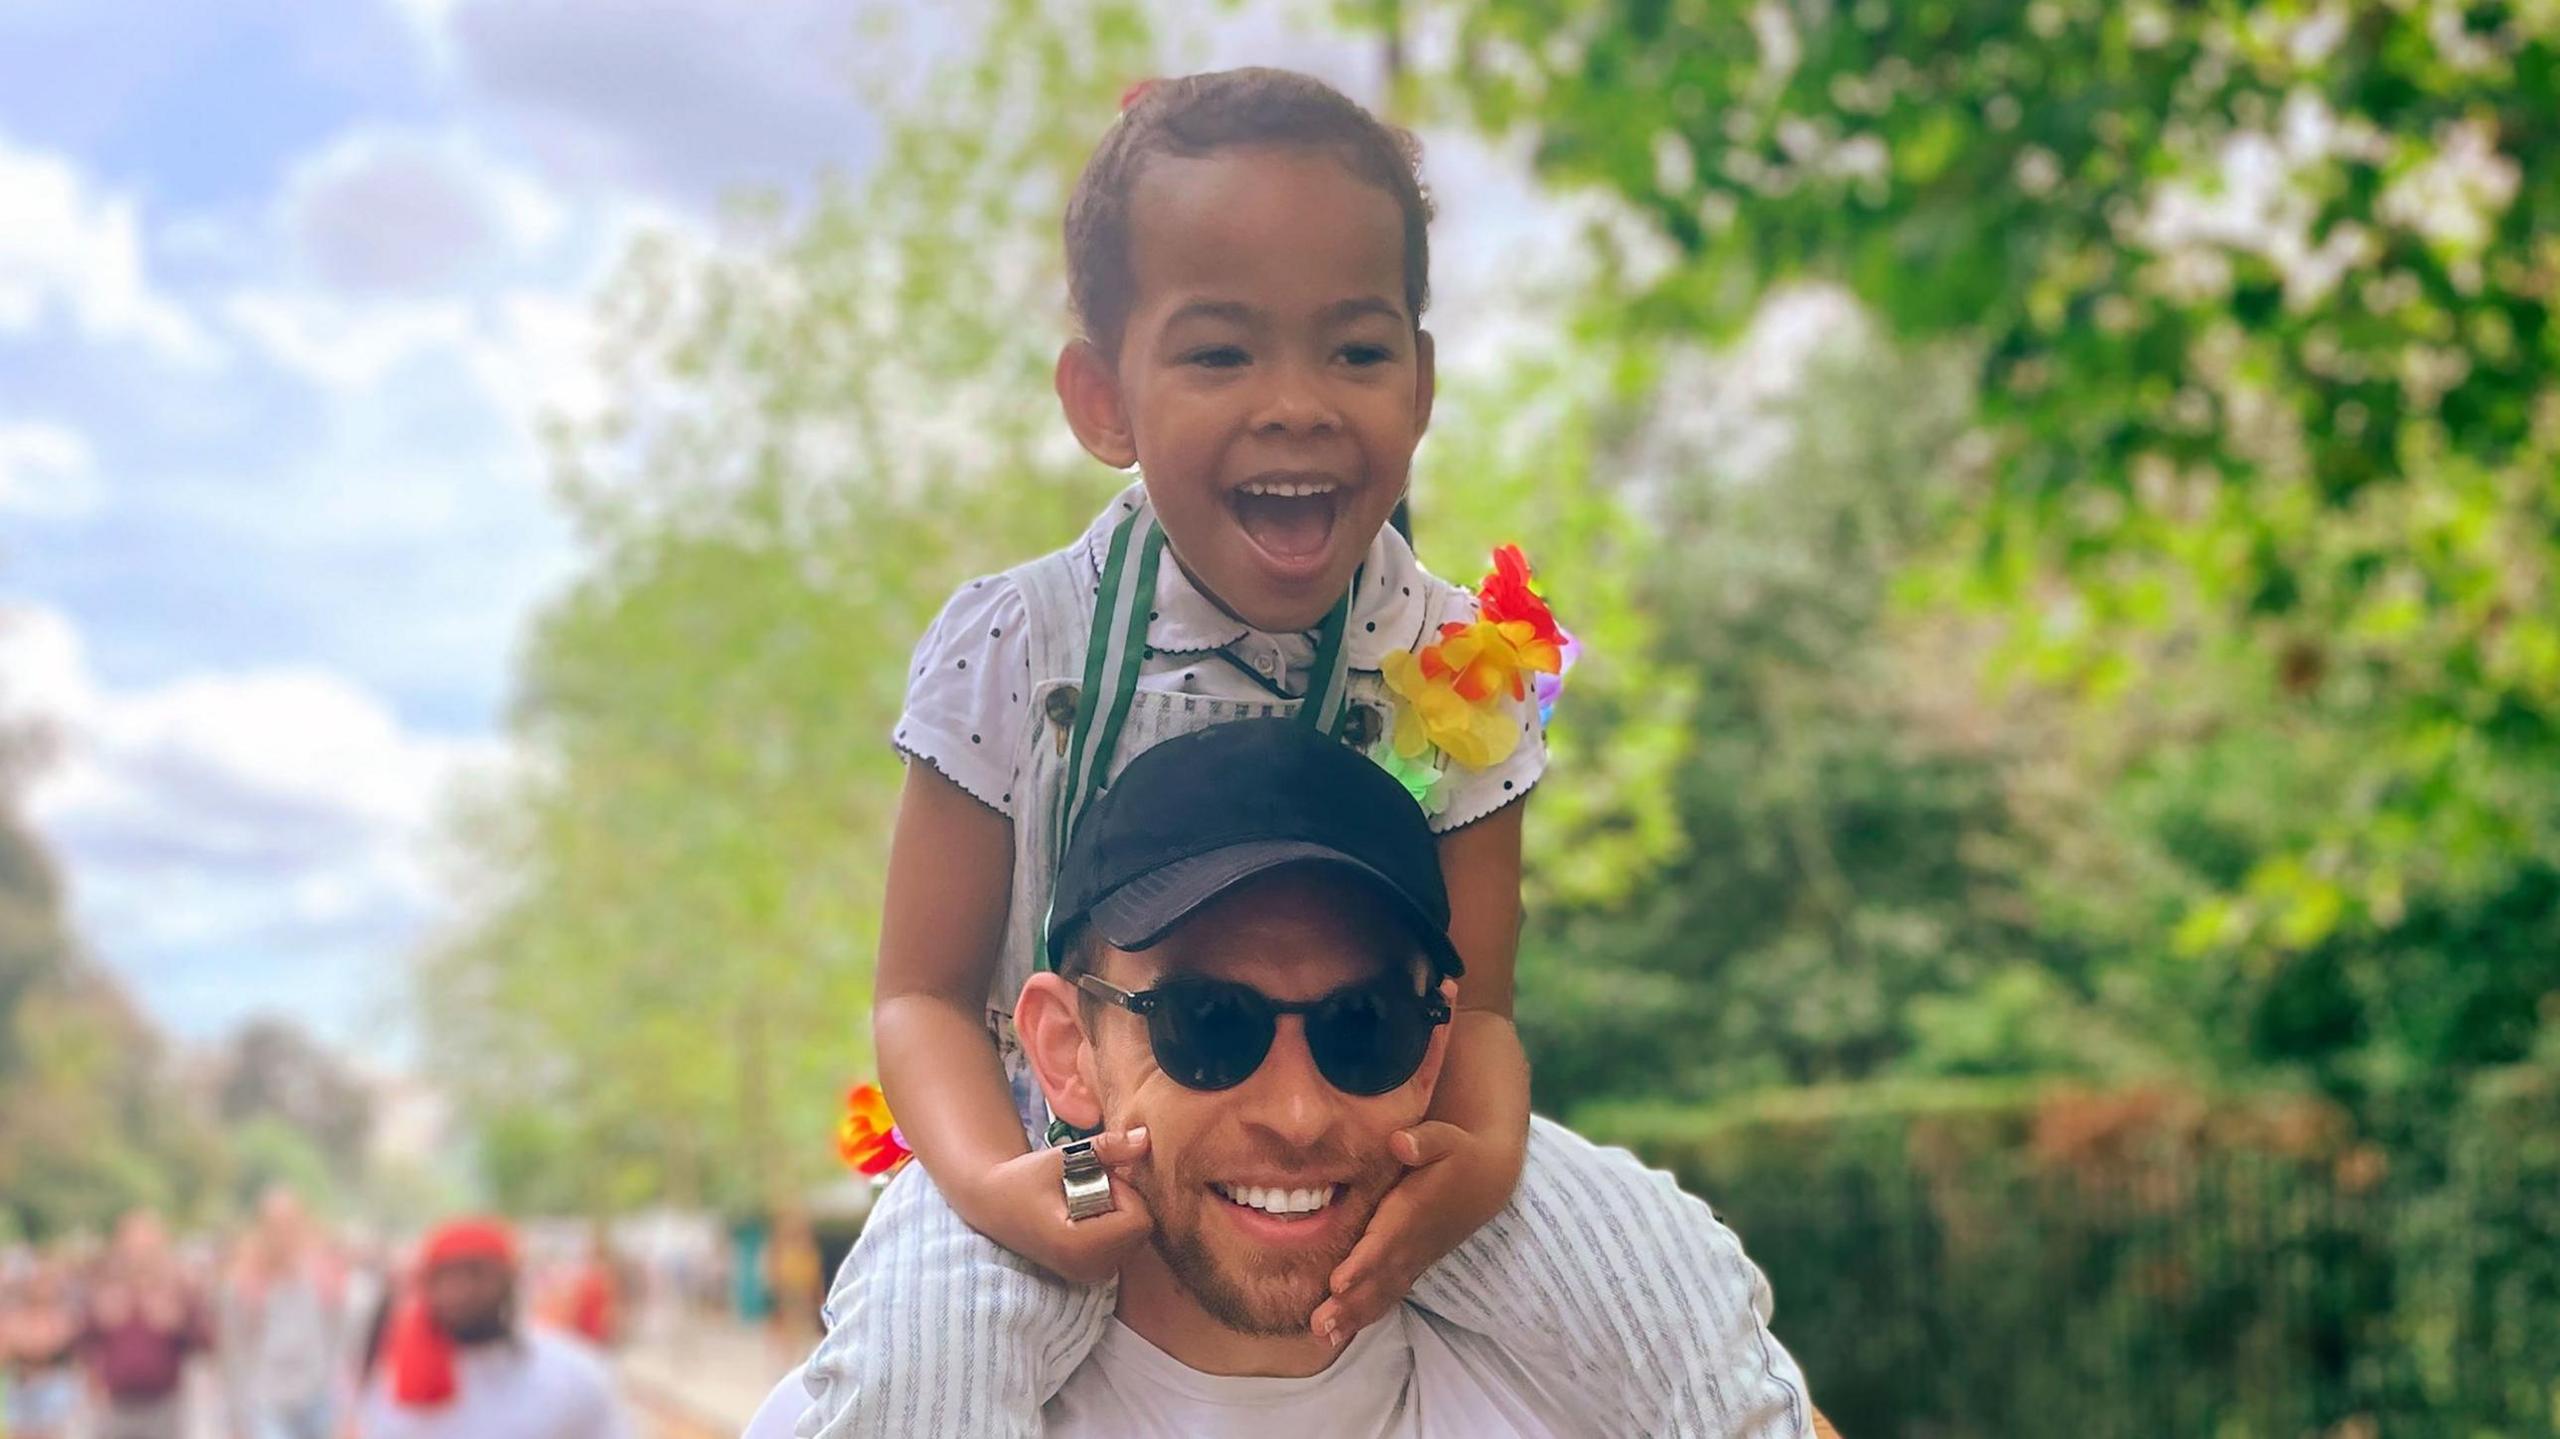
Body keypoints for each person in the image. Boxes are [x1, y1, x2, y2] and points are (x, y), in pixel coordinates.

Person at [801, 66, 1694, 1437]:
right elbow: (919, 994)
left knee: (1657, 1307)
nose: (1298, 403)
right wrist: (992, 1188)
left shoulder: (1456, 666)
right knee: (923, 1360)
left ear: (1424, 379)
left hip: (1377, 1129)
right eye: (1222, 352)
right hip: (1061, 1149)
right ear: (1104, 397)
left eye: (1354, 349)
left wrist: (1472, 1170)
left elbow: (1486, 1011)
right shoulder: (1016, 646)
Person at [748, 721, 1817, 1435]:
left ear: (1436, 1045)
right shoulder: (906, 1386)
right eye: (1209, 1025)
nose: (1299, 1112)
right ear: (1067, 1049)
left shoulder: (1616, 1360)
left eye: (1364, 1026)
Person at [352, 1218, 632, 1439]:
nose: (457, 1291)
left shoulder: (574, 1375)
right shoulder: (396, 1381)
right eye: (443, 1276)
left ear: (510, 1278)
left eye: (475, 1273)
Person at [222, 1185, 345, 1439]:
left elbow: (338, 1339)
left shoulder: (322, 1275)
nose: (282, 1233)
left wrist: (344, 1406)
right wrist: (236, 1416)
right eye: (274, 1225)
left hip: (315, 1396)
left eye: (289, 1223)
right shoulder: (245, 1282)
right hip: (267, 1400)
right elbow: (234, 1351)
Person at [79, 1210, 210, 1439]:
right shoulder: (106, 1287)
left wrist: (178, 1322)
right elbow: (83, 1340)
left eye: (147, 1243)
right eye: (134, 1243)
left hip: (163, 1404)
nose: (140, 1251)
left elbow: (205, 1341)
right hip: (115, 1404)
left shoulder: (178, 1287)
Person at [3, 1254, 86, 1439]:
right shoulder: (16, 1316)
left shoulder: (63, 1315)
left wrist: (29, 1342)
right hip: (23, 1389)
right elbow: (7, 1348)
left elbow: (52, 1344)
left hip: (53, 1388)